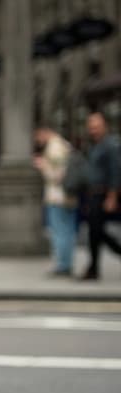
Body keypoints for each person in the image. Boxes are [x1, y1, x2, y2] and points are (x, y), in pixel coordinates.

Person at [33, 125, 78, 276]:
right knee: (67, 231)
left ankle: (63, 265)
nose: (37, 140)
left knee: (60, 231)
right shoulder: (65, 144)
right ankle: (66, 263)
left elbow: (57, 175)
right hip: (68, 196)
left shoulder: (54, 147)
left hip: (58, 197)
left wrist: (42, 166)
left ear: (44, 132)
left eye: (38, 136)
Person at [80, 111, 121, 280]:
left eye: (96, 127)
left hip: (103, 194)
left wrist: (112, 197)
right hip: (93, 194)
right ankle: (93, 268)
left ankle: (93, 268)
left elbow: (115, 172)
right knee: (94, 232)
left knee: (96, 231)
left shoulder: (110, 146)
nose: (93, 130)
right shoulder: (94, 146)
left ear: (105, 126)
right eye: (91, 127)